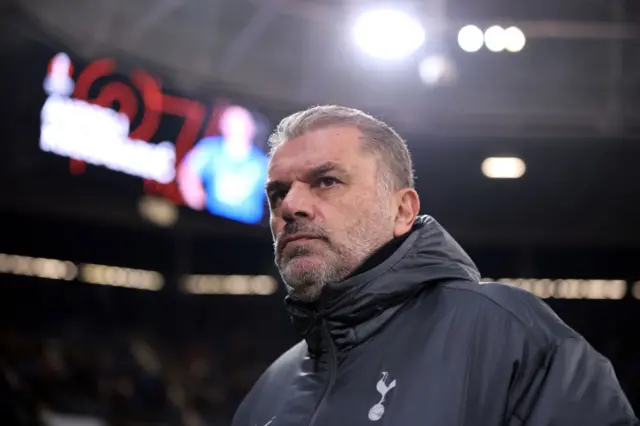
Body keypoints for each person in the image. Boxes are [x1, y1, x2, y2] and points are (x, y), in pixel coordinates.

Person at [232, 105, 638, 426]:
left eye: (327, 181)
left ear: (402, 209)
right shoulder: (269, 391)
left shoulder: (509, 335)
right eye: (278, 193)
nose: (291, 206)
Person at [177, 105, 268, 224]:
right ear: (223, 125)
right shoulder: (209, 149)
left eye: (241, 124)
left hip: (247, 232)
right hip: (210, 224)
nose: (236, 129)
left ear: (251, 127)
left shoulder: (263, 163)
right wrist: (197, 208)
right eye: (232, 123)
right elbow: (187, 172)